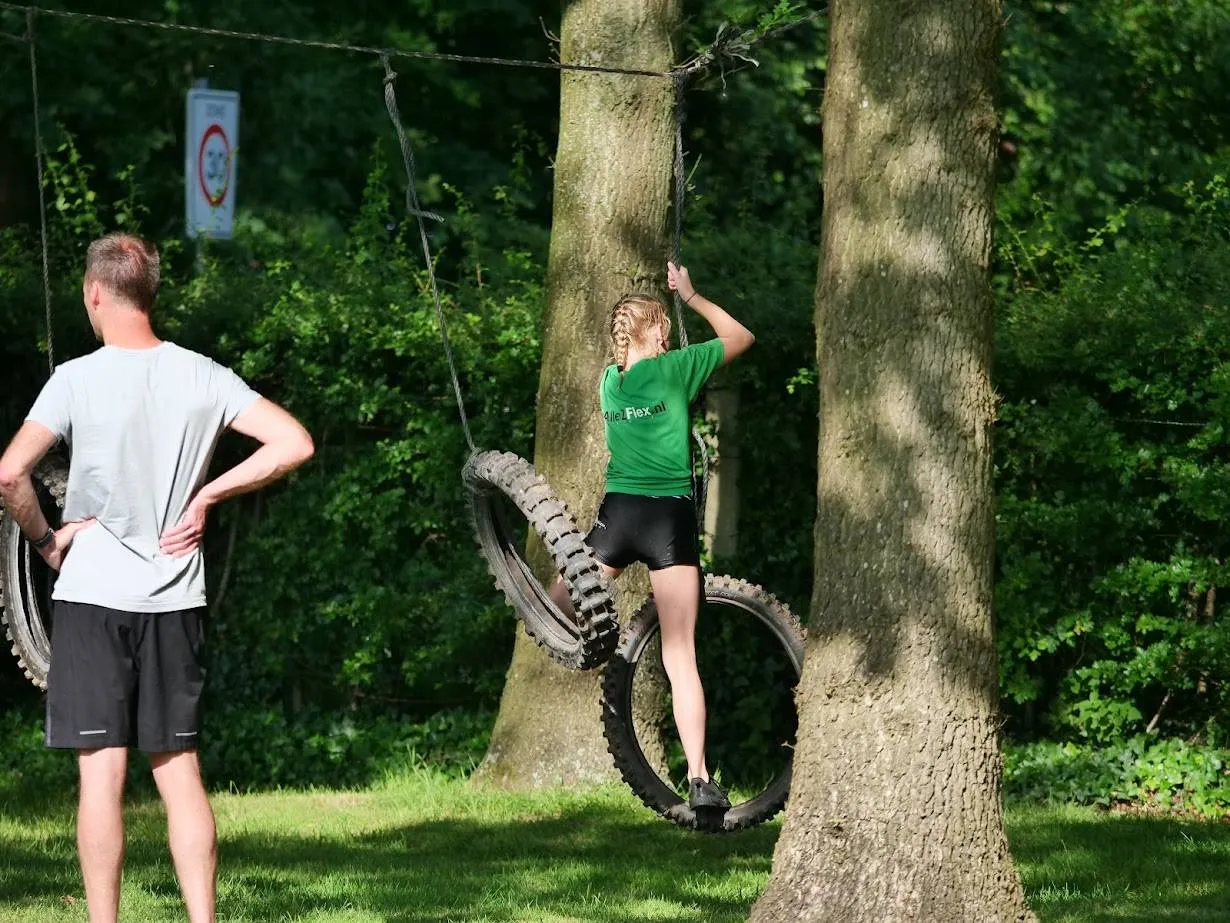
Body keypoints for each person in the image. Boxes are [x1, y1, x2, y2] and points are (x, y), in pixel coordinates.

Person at [0, 232, 314, 923]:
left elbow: (9, 472)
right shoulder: (204, 374)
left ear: (94, 294)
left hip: (92, 598)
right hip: (175, 597)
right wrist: (207, 497)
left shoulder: (76, 378)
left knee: (102, 774)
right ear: (151, 294)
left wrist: (48, 540)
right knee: (178, 773)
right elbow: (294, 441)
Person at [553, 260, 754, 811]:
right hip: (668, 521)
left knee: (558, 601)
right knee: (680, 655)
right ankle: (699, 779)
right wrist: (690, 295)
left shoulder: (609, 382)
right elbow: (741, 337)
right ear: (658, 331)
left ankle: (569, 636)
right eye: (664, 326)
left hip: (619, 518)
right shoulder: (678, 368)